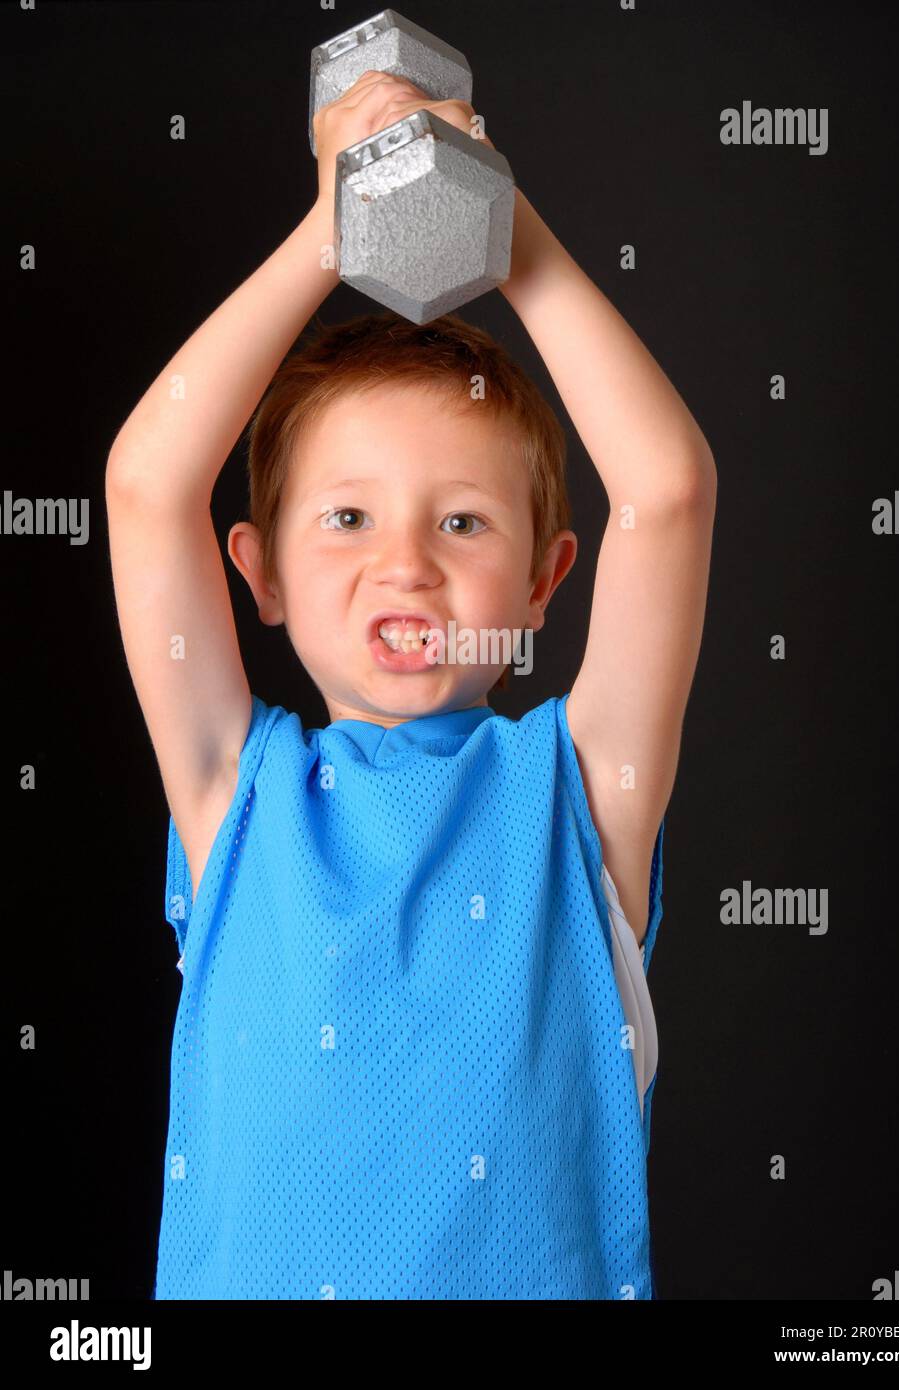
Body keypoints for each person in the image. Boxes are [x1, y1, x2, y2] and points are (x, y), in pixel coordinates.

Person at [106, 71, 716, 1300]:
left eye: (462, 522)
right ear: (258, 573)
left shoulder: (581, 796)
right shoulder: (234, 794)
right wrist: (334, 224)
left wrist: (498, 220)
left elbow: (668, 488)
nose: (405, 565)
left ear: (547, 582)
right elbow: (146, 483)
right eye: (345, 517)